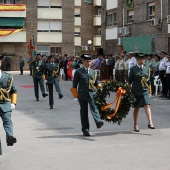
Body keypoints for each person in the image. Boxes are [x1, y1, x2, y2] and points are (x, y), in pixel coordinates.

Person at [71, 54, 104, 137]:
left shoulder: (94, 71)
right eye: (87, 61)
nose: (89, 63)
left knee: (94, 107)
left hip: (92, 93)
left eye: (90, 61)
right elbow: (74, 84)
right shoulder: (78, 71)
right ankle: (85, 129)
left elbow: (96, 83)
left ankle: (98, 121)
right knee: (84, 112)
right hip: (82, 94)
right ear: (83, 61)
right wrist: (75, 96)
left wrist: (100, 88)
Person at [128, 54, 155, 132]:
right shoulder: (133, 69)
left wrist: (150, 90)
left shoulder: (147, 69)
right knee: (137, 108)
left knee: (147, 105)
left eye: (143, 59)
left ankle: (150, 123)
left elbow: (149, 80)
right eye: (141, 59)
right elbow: (130, 79)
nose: (142, 61)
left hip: (145, 90)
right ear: (138, 60)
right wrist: (128, 87)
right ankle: (135, 125)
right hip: (136, 90)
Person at [0, 54, 18, 146]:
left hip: (4, 103)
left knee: (7, 121)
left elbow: (13, 91)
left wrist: (13, 103)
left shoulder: (7, 77)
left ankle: (10, 137)